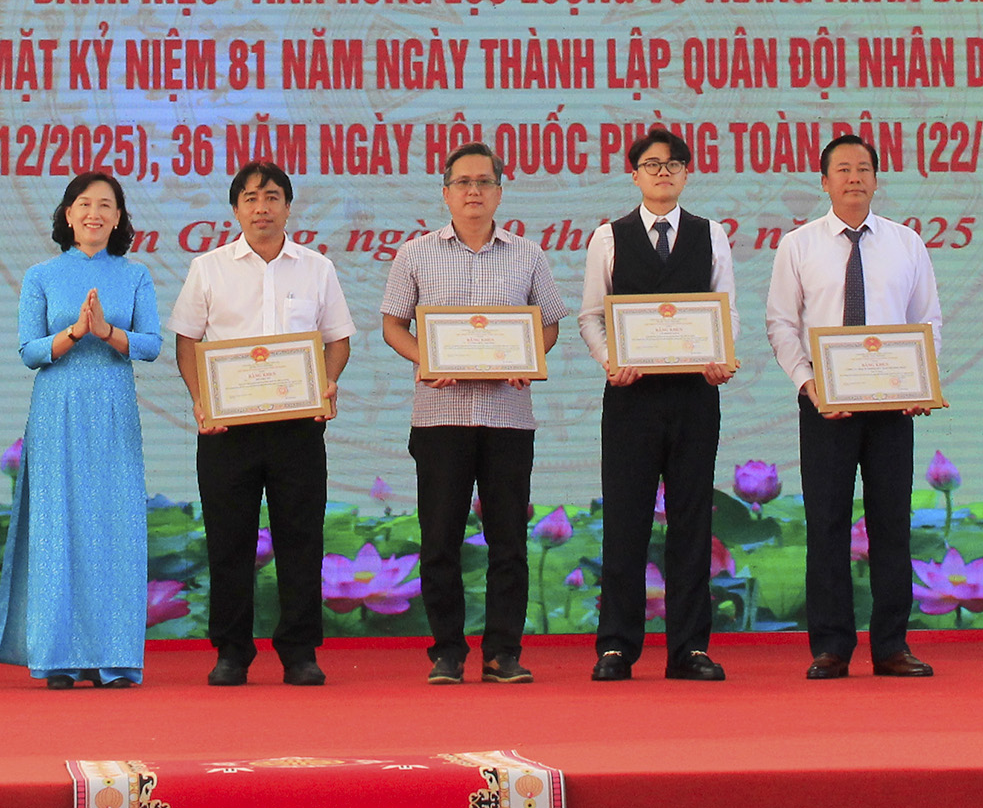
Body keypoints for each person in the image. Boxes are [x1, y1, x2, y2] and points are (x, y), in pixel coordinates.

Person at [380, 142, 568, 685]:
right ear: (446, 193)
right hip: (440, 416)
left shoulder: (528, 255)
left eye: (484, 182)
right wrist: (425, 359)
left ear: (499, 193)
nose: (473, 191)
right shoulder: (415, 254)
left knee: (509, 541)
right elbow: (393, 324)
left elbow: (549, 322)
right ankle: (447, 652)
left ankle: (503, 652)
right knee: (440, 540)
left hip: (508, 417)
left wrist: (529, 358)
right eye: (463, 182)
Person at [171, 161, 353, 687]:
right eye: (250, 198)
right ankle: (231, 652)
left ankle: (300, 652)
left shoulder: (317, 268)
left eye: (272, 197)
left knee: (301, 539)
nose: (261, 208)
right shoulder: (208, 268)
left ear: (288, 207)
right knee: (229, 541)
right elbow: (187, 340)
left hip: (298, 427)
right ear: (235, 210)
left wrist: (328, 381)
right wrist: (201, 402)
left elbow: (337, 339)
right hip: (227, 430)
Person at [766, 134, 941, 680]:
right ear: (824, 182)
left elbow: (927, 320)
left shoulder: (907, 242)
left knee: (891, 523)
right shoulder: (798, 245)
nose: (854, 178)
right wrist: (808, 384)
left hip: (893, 410)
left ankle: (891, 645)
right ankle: (831, 647)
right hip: (825, 406)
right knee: (826, 523)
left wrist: (919, 385)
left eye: (863, 168)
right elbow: (781, 324)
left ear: (876, 179)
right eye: (842, 169)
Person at [576, 128, 735, 682]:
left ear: (687, 173)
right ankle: (616, 647)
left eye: (673, 164)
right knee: (625, 521)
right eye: (651, 164)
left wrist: (721, 358)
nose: (662, 172)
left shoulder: (711, 233)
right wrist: (609, 361)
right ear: (634, 174)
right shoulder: (609, 237)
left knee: (692, 522)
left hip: (695, 397)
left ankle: (689, 648)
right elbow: (591, 316)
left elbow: (726, 309)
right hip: (631, 397)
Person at [0, 172, 161, 689]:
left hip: (113, 410)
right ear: (67, 215)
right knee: (56, 527)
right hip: (57, 410)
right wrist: (74, 332)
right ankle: (58, 659)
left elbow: (152, 345)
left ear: (119, 217)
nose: (94, 213)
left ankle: (114, 659)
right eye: (84, 204)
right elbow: (29, 351)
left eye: (106, 205)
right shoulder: (41, 275)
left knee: (115, 528)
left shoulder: (135, 275)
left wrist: (107, 332)